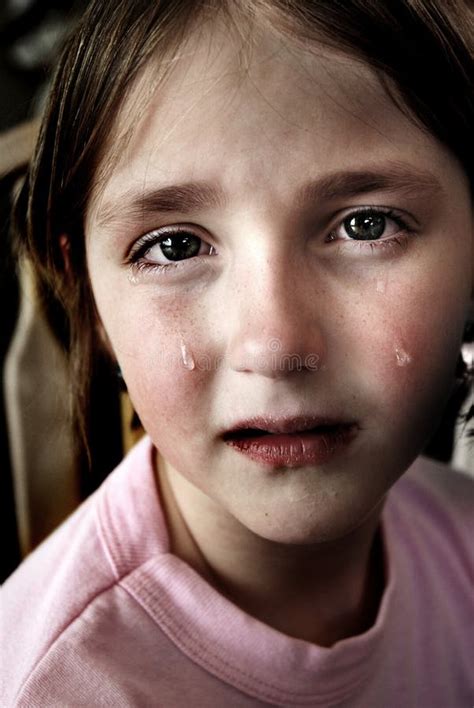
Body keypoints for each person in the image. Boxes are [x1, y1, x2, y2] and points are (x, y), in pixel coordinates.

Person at [2, 0, 473, 705]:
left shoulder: (462, 540)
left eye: (366, 225)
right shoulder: (53, 686)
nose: (275, 346)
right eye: (175, 245)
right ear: (89, 297)